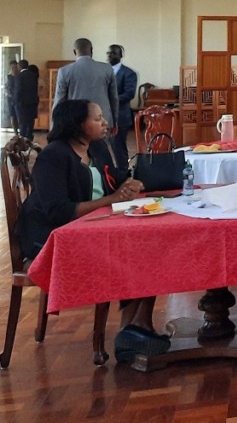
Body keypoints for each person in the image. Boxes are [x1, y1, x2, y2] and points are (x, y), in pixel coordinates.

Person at [14, 100, 164, 362]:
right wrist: (112, 200)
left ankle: (138, 327)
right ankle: (132, 330)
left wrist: (130, 183)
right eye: (97, 118)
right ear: (77, 124)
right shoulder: (54, 156)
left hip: (89, 230)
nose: (104, 122)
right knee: (132, 253)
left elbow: (113, 176)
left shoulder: (95, 148)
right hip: (52, 239)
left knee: (149, 245)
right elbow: (58, 211)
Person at [52, 38, 118, 131]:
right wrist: (115, 121)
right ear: (92, 51)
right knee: (102, 145)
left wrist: (54, 125)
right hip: (102, 120)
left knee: (77, 145)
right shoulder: (107, 69)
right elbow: (114, 98)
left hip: (76, 121)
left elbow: (59, 100)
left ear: (74, 51)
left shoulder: (64, 71)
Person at [107, 45, 137, 169]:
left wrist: (109, 100)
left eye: (113, 53)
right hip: (103, 116)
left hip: (120, 116)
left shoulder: (129, 73)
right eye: (108, 53)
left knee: (118, 148)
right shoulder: (103, 71)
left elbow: (129, 94)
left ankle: (123, 174)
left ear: (121, 55)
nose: (110, 55)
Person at [13, 60, 39, 139]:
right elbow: (35, 89)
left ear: (19, 66)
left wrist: (15, 102)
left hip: (22, 103)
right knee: (30, 122)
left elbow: (18, 90)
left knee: (22, 122)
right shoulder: (33, 75)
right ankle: (29, 138)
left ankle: (22, 139)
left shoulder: (19, 76)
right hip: (32, 102)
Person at [5, 60, 18, 130]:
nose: (14, 69)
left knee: (19, 115)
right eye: (12, 67)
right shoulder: (8, 77)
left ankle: (21, 132)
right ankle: (15, 132)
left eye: (15, 67)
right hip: (10, 99)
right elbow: (6, 87)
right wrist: (9, 94)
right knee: (13, 115)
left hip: (18, 98)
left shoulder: (19, 76)